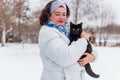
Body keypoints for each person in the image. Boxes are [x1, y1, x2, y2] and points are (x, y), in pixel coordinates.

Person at [38, 0, 96, 80]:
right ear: (49, 15)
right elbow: (65, 58)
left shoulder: (66, 31)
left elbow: (91, 49)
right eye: (57, 14)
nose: (62, 17)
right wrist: (82, 41)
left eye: (64, 14)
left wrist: (92, 57)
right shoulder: (47, 32)